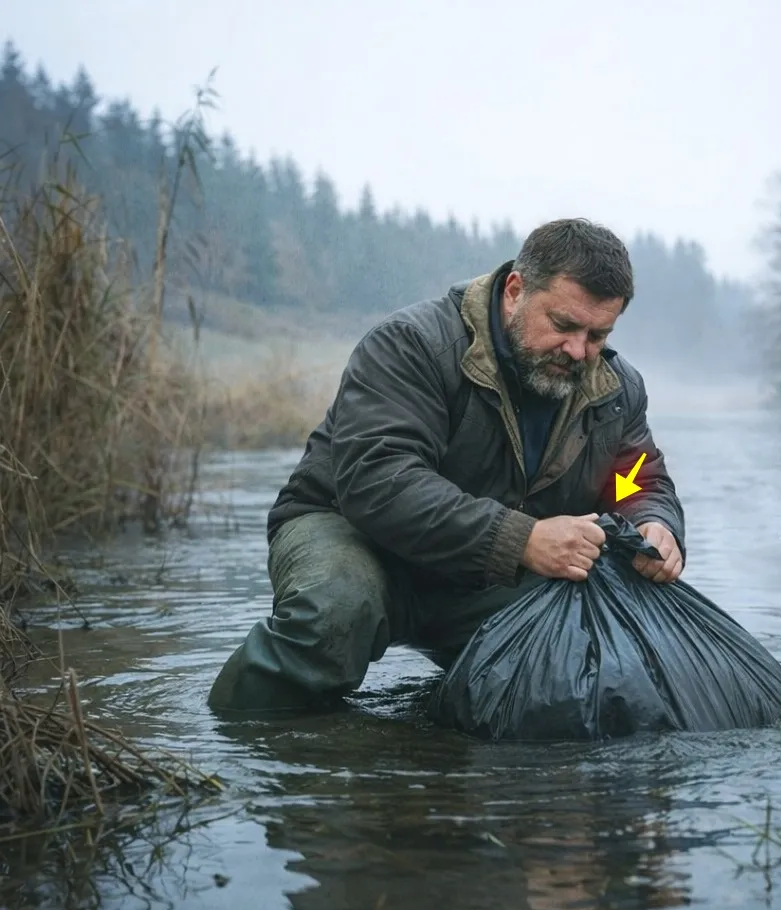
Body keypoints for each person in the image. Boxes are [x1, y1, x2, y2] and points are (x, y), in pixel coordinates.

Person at [208, 218, 686, 714]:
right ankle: (232, 743)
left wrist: (652, 521)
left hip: (488, 574)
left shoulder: (616, 391)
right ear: (515, 291)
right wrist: (522, 539)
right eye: (564, 326)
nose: (579, 350)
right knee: (336, 610)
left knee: (593, 647)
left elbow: (630, 480)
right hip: (354, 535)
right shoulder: (411, 345)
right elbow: (379, 481)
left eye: (598, 334)